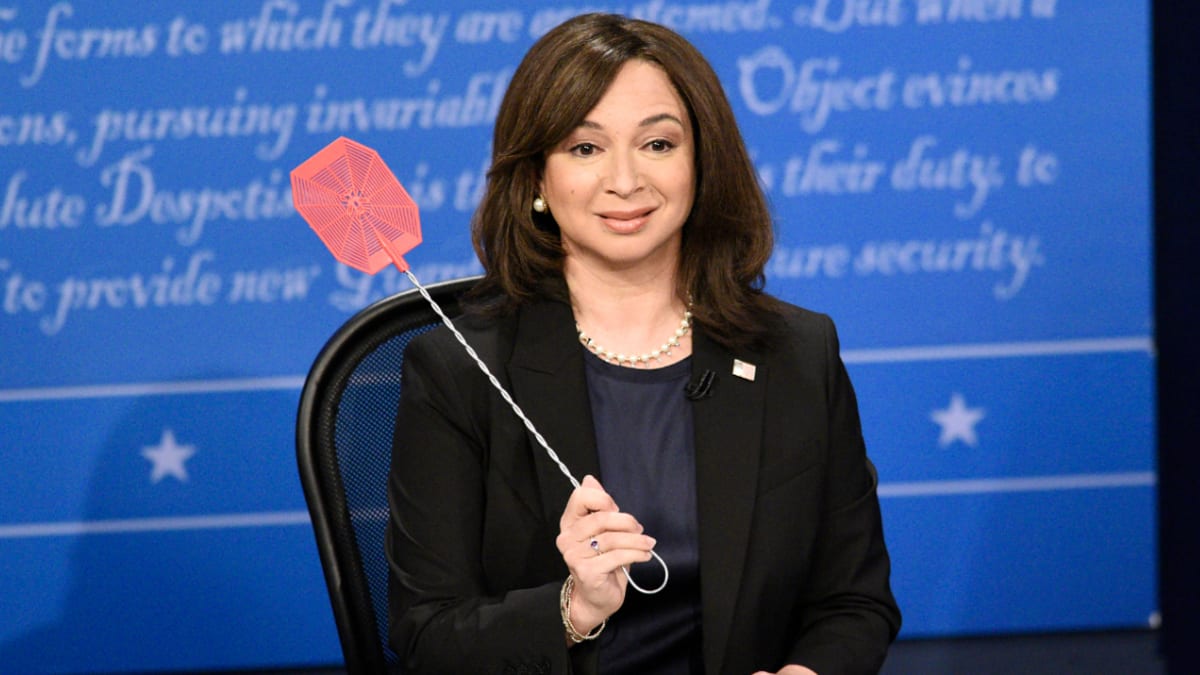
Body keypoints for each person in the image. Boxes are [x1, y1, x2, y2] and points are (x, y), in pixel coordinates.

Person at [386, 12, 900, 675]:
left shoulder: (797, 352)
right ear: (537, 178)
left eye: (657, 144)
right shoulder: (459, 369)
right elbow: (426, 635)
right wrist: (571, 608)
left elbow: (854, 601)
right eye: (585, 148)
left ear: (701, 161)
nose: (625, 180)